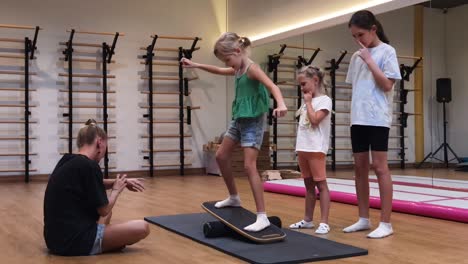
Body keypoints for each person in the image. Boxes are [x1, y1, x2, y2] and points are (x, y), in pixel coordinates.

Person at [181, 32, 288, 232]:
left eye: (229, 59)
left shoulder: (252, 69)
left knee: (249, 166)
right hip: (239, 119)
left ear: (238, 51)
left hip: (253, 122)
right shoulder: (237, 69)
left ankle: (262, 216)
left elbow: (272, 86)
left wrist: (281, 104)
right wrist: (195, 65)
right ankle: (234, 197)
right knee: (221, 156)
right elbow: (218, 70)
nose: (228, 64)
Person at [43, 119, 150, 256]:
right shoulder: (90, 166)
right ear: (99, 142)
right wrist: (116, 190)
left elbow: (94, 182)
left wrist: (123, 181)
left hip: (54, 241)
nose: (105, 151)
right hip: (74, 242)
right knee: (143, 227)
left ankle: (108, 241)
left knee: (108, 215)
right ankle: (104, 244)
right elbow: (104, 210)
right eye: (106, 146)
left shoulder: (68, 160)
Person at [343, 10, 402, 238]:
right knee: (359, 168)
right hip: (358, 118)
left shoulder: (388, 51)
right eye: (354, 36)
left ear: (373, 29)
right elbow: (357, 87)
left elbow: (387, 85)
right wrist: (363, 57)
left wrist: (369, 60)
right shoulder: (356, 56)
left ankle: (386, 223)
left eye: (361, 34)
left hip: (377, 118)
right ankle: (363, 218)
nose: (358, 40)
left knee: (380, 167)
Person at [289, 66, 332, 234]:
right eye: (300, 85)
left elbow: (315, 121)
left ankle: (324, 222)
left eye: (304, 84)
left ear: (315, 80)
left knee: (321, 185)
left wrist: (307, 103)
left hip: (315, 148)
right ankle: (307, 220)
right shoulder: (307, 100)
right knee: (308, 186)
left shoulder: (324, 100)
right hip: (303, 147)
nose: (302, 88)